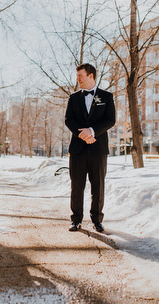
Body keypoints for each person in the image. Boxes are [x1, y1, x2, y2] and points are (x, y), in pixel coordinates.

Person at [65, 64, 115, 233]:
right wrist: (82, 135)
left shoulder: (106, 97)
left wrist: (92, 131)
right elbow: (69, 120)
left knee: (98, 186)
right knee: (77, 186)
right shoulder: (73, 98)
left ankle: (97, 220)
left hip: (98, 148)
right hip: (78, 149)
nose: (77, 79)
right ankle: (76, 220)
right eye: (77, 76)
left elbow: (110, 120)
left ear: (91, 76)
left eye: (80, 75)